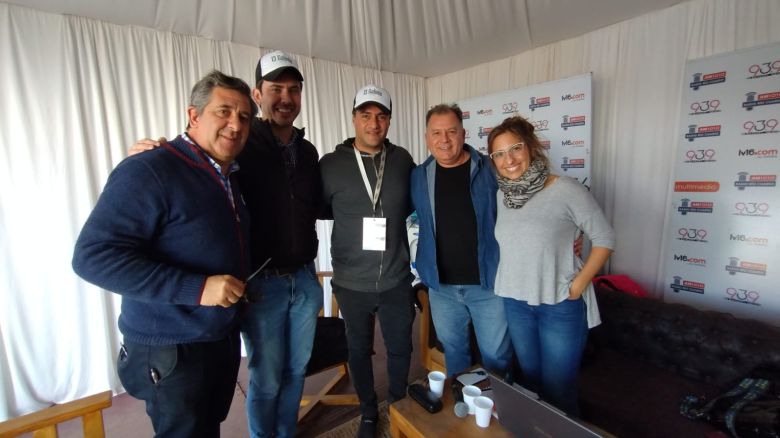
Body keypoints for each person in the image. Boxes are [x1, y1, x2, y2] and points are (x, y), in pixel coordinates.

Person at [130, 50, 323, 438]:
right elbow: (195, 154)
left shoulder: (308, 151)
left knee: (296, 371)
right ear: (258, 93)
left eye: (293, 90)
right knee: (266, 377)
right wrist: (156, 151)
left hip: (303, 280)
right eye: (276, 89)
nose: (285, 97)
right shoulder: (241, 142)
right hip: (260, 284)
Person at [72, 70, 255, 437]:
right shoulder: (149, 168)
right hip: (172, 348)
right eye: (223, 111)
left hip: (215, 337)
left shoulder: (229, 173)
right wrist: (198, 288)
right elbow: (92, 256)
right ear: (194, 116)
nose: (235, 124)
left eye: (244, 116)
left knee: (206, 427)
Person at [486, 116, 615, 416]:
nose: (509, 159)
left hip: (559, 305)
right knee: (529, 384)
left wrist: (579, 284)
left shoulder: (565, 189)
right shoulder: (502, 195)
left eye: (515, 148)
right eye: (499, 154)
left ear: (531, 147)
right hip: (516, 303)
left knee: (559, 392)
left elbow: (605, 237)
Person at [320, 85, 415, 438]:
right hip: (351, 281)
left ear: (389, 120)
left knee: (400, 347)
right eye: (366, 115)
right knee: (358, 350)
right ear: (354, 118)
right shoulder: (330, 165)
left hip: (395, 278)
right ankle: (368, 412)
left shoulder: (403, 159)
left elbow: (413, 204)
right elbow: (318, 208)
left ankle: (398, 404)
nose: (374, 123)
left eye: (381, 116)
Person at [410, 103, 513, 377]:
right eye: (437, 133)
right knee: (454, 352)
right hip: (442, 289)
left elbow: (525, 205)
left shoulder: (490, 169)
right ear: (427, 138)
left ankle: (500, 416)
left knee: (496, 357)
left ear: (464, 134)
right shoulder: (419, 176)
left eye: (451, 131)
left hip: (488, 286)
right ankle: (464, 404)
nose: (444, 140)